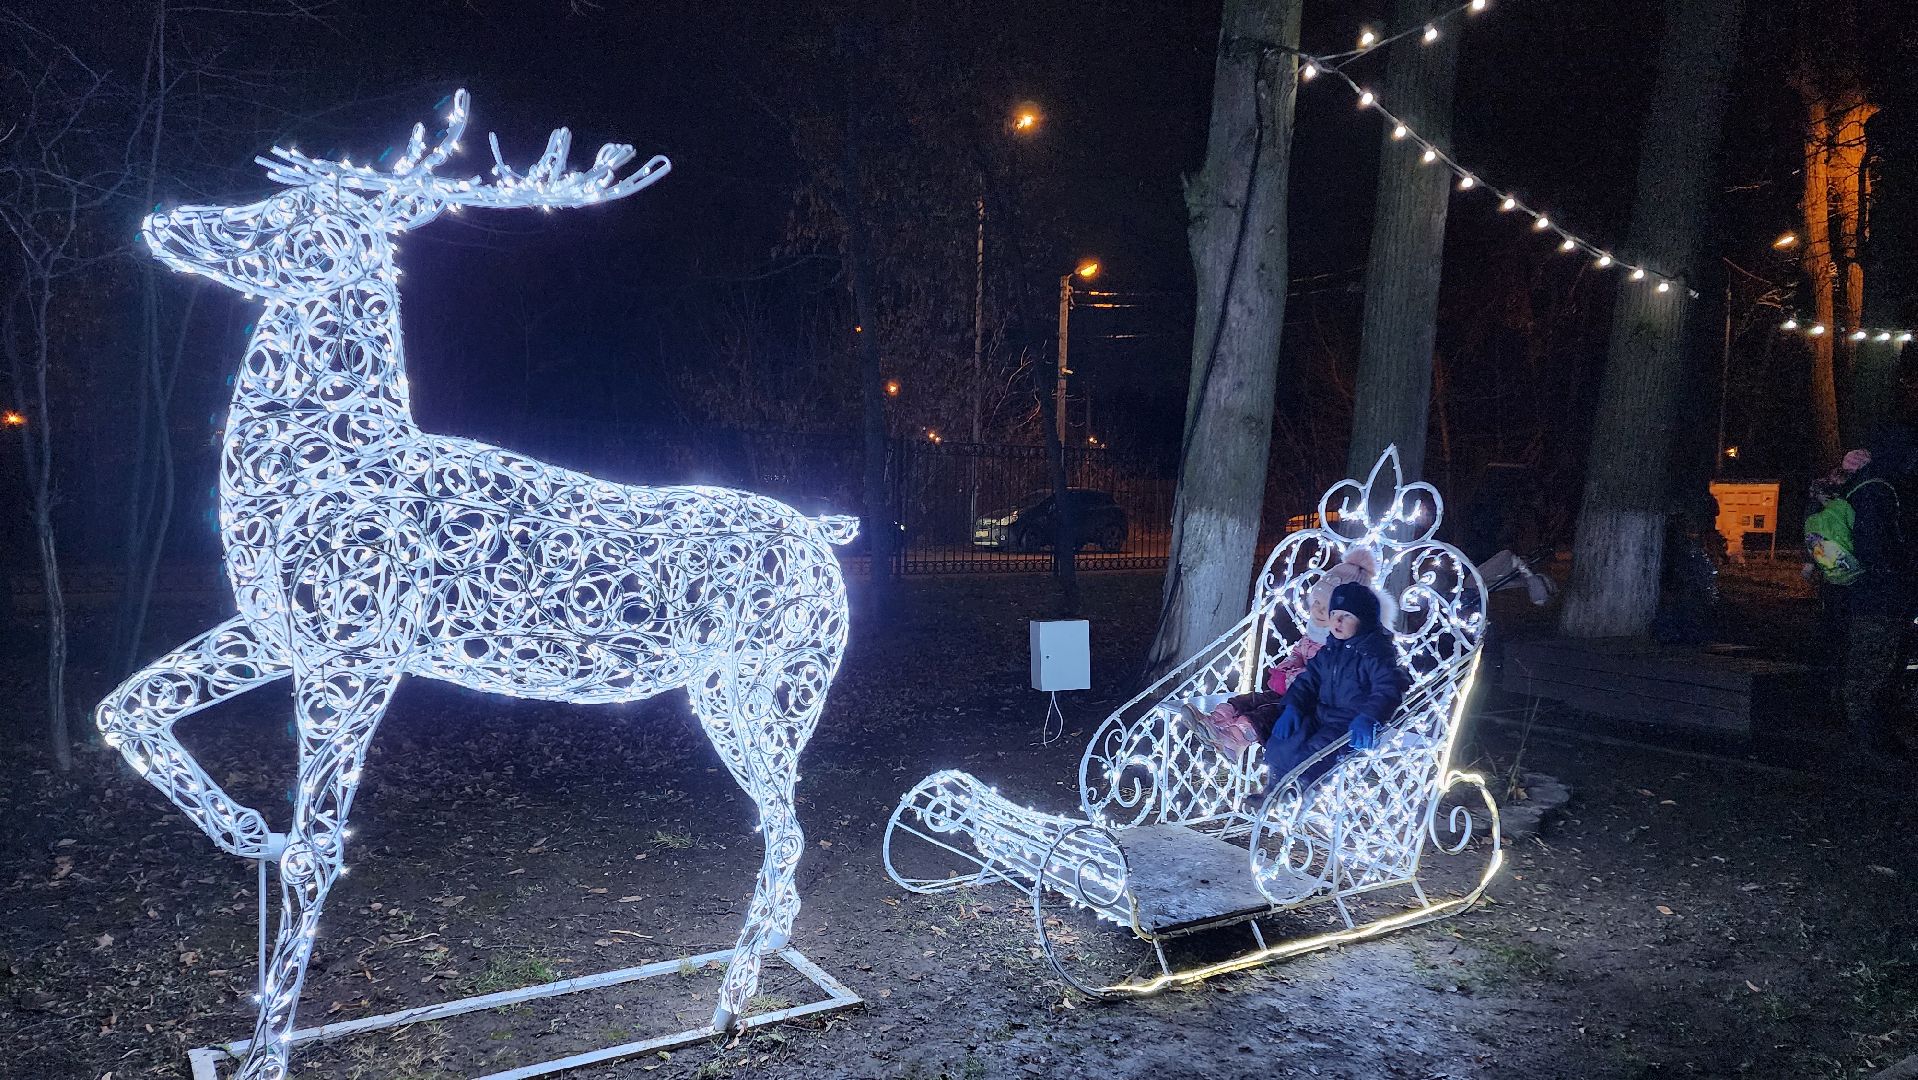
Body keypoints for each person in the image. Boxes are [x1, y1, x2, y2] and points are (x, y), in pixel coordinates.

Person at [1194, 550, 1381, 754]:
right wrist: (1286, 669)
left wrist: (1294, 679)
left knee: (1267, 713)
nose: (1318, 610)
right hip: (1290, 692)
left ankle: (1235, 738)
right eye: (1316, 602)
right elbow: (1298, 654)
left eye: (1327, 607)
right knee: (1250, 700)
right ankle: (1216, 724)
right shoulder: (1314, 636)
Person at [1259, 581, 1412, 791]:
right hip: (1320, 715)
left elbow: (1388, 687)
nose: (1337, 620)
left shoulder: (1374, 653)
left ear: (1364, 620)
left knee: (1316, 753)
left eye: (1347, 615)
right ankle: (1273, 788)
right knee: (1286, 741)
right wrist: (1292, 707)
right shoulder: (1329, 652)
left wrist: (1369, 716)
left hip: (1348, 724)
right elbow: (1307, 681)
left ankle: (1299, 793)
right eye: (1334, 614)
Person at [1831, 447, 1911, 760]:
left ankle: (1865, 733)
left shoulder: (1853, 492)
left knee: (1865, 662)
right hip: (1879, 596)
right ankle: (1869, 739)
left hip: (1860, 594)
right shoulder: (1878, 491)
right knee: (1874, 664)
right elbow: (1879, 547)